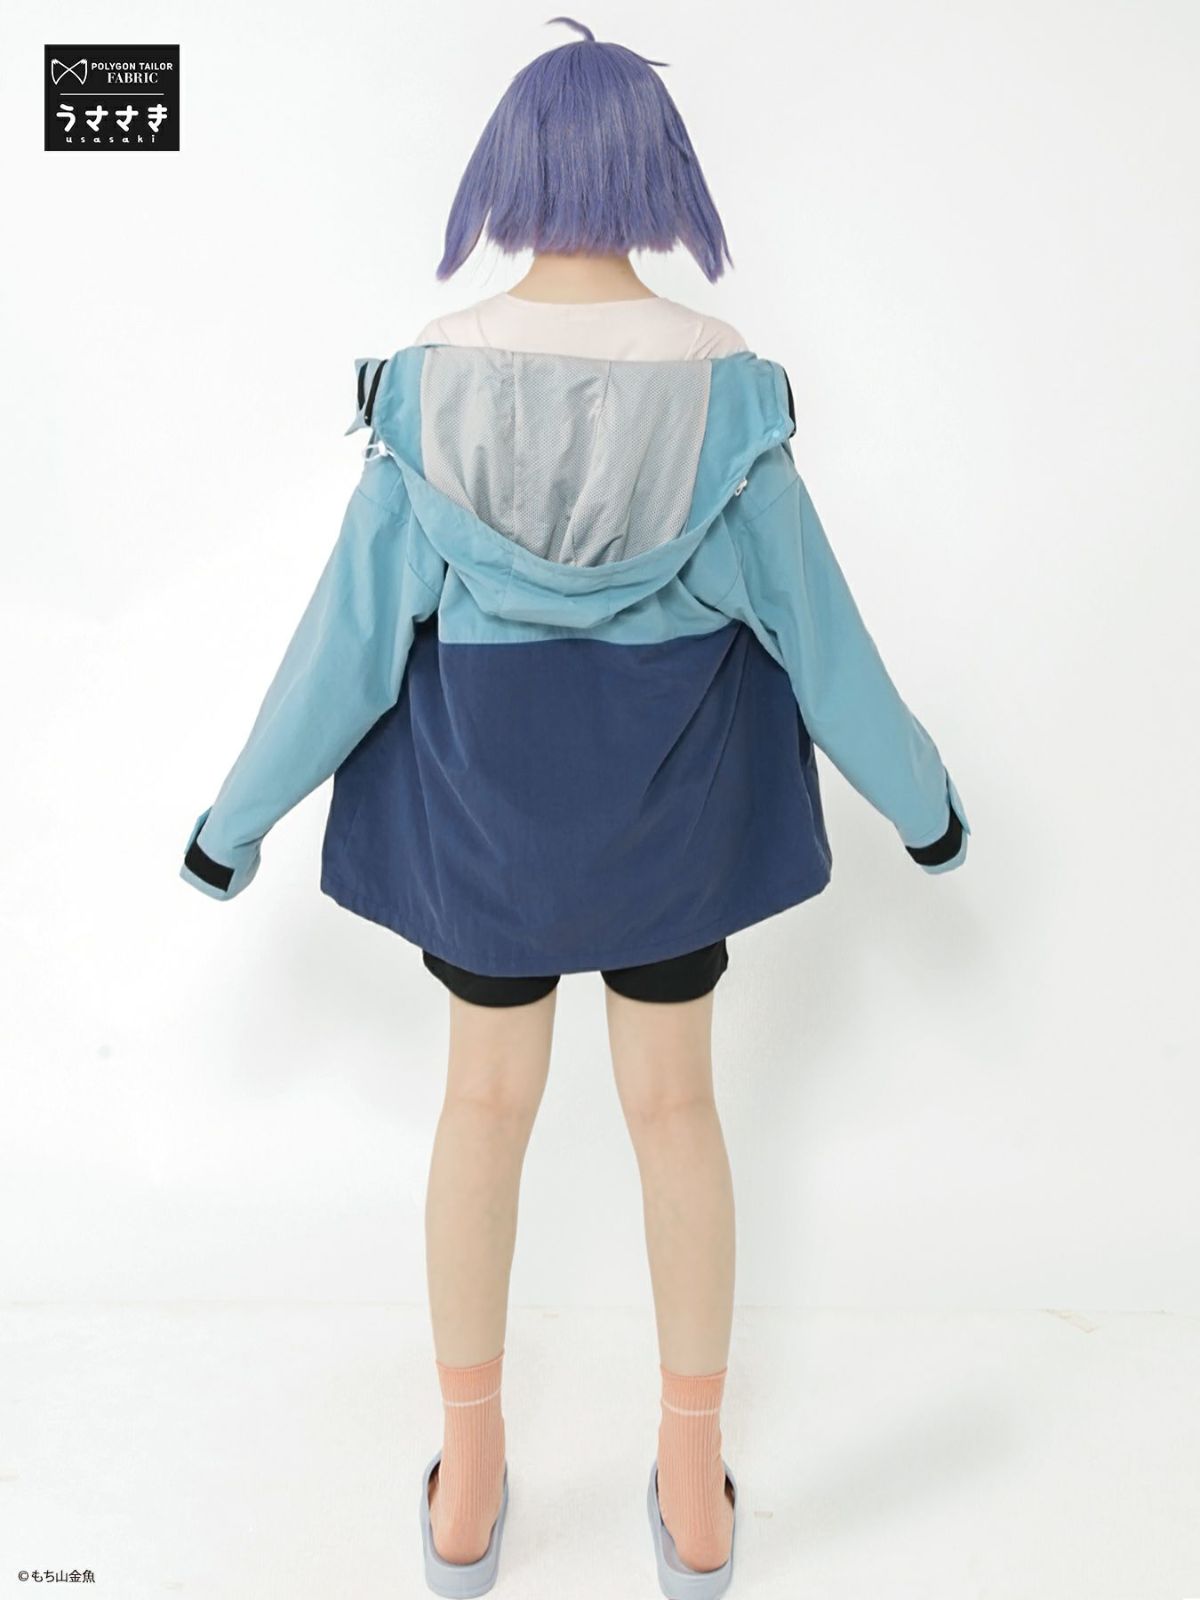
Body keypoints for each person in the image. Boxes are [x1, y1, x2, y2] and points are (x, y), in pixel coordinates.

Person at [179, 18, 970, 1598]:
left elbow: (345, 646)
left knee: (483, 1108)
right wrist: (925, 806)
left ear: (511, 172)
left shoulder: (426, 387)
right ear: (657, 174)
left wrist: (233, 823)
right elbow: (822, 640)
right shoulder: (728, 393)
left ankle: (467, 1488)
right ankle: (692, 1491)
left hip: (488, 822)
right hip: (672, 819)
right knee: (676, 1111)